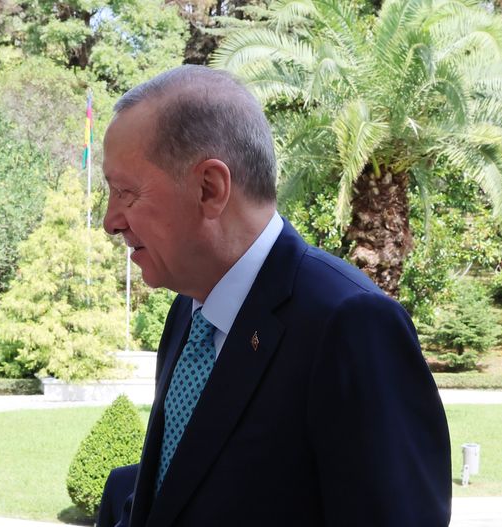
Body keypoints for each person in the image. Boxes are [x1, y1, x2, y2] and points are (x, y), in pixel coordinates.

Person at [100, 66, 451, 526]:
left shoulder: (351, 324)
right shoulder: (188, 311)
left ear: (210, 188)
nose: (110, 221)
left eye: (125, 193)